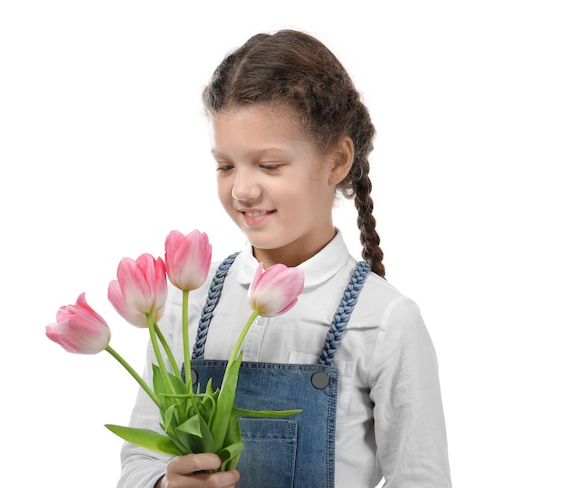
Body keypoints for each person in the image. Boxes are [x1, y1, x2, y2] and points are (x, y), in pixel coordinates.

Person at [118, 29, 452, 488]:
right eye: (226, 165)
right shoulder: (186, 303)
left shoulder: (385, 322)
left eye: (269, 165)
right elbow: (138, 461)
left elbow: (421, 480)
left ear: (336, 160)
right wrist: (164, 483)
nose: (242, 189)